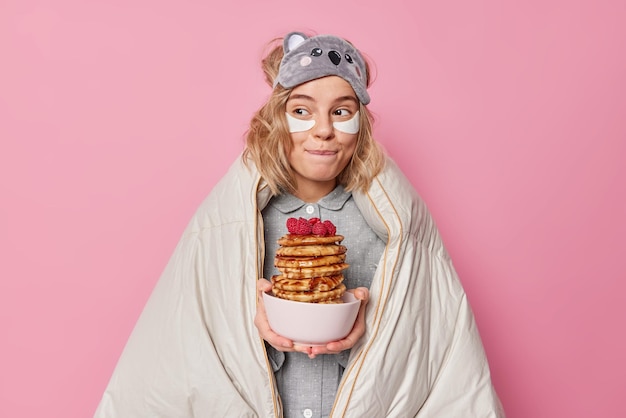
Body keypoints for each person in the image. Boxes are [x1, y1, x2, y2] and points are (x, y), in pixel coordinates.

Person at [94, 31, 505, 417]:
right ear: (278, 118)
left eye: (341, 111)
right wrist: (240, 314)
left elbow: (424, 338)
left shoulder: (391, 224)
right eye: (302, 111)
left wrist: (376, 320)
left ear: (360, 123)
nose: (324, 130)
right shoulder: (241, 223)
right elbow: (188, 340)